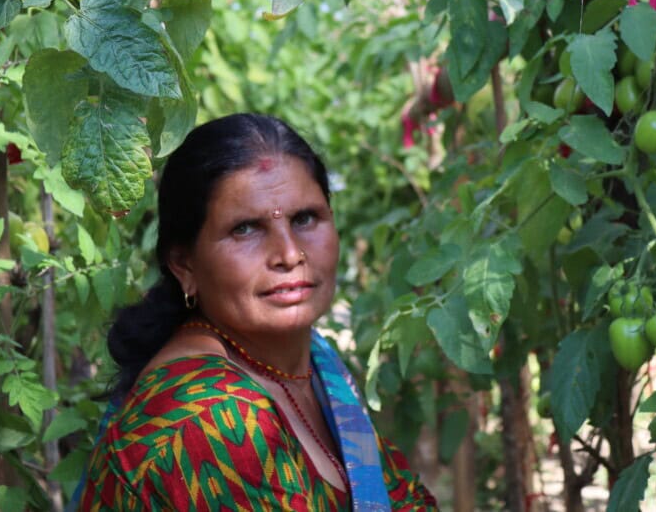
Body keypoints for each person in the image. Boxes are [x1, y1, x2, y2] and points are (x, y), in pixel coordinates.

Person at [75, 113, 438, 511]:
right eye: (245, 228)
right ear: (185, 265)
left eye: (305, 219)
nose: (289, 254)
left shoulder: (314, 370)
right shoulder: (210, 416)